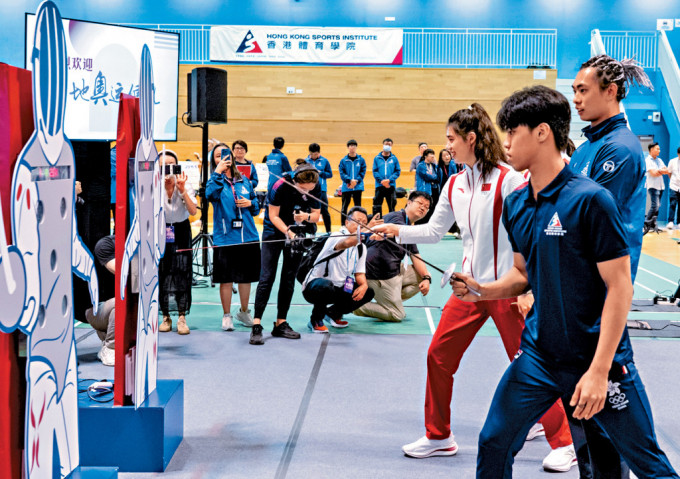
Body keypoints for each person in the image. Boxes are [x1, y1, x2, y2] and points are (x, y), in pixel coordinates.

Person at [461, 84, 678, 479]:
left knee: (645, 465)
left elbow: (620, 287)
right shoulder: (517, 203)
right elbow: (524, 275)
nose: (505, 142)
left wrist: (598, 371)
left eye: (513, 132)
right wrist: (484, 289)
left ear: (542, 132)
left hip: (600, 363)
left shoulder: (591, 200)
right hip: (540, 357)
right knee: (493, 443)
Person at [372, 103, 574, 471]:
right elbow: (434, 232)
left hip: (506, 290)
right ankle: (438, 436)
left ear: (471, 138)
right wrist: (394, 230)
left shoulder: (510, 179)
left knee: (532, 364)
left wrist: (529, 290)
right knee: (438, 356)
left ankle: (564, 440)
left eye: (451, 139)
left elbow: (528, 238)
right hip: (468, 291)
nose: (446, 145)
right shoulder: (453, 183)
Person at [569, 53, 656, 479]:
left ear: (611, 91)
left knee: (627, 438)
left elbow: (580, 222)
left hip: (604, 298)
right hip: (579, 300)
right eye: (573, 92)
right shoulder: (587, 146)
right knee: (587, 423)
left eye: (583, 91)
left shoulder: (620, 151)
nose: (577, 100)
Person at [250, 163, 321, 345]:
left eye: (309, 189)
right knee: (267, 277)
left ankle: (280, 323)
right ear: (295, 181)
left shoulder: (316, 185)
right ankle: (257, 323)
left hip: (298, 231)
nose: (306, 192)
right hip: (274, 230)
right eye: (303, 189)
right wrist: (288, 232)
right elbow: (273, 215)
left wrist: (305, 217)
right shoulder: (279, 185)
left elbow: (316, 215)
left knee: (288, 277)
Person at [354, 192, 432, 322]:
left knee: (422, 275)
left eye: (427, 206)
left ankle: (389, 299)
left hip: (393, 271)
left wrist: (426, 278)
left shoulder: (409, 228)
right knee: (397, 315)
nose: (423, 208)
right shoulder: (395, 218)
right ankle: (354, 305)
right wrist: (386, 235)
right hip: (377, 273)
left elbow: (416, 256)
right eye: (420, 203)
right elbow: (386, 232)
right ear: (409, 202)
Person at [206, 143, 260, 331]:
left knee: (246, 278)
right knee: (226, 279)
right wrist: (217, 173)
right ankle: (226, 315)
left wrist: (250, 203)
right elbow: (209, 195)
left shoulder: (244, 180)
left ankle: (244, 311)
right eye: (217, 156)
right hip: (225, 238)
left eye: (224, 154)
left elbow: (256, 208)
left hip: (248, 237)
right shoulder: (215, 182)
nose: (222, 158)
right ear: (213, 160)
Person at [302, 207, 375, 332]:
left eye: (364, 222)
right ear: (347, 222)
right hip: (315, 287)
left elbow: (359, 273)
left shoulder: (361, 247)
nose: (361, 225)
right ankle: (315, 319)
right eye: (358, 221)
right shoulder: (336, 236)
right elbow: (346, 243)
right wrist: (363, 231)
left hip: (339, 287)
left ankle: (333, 313)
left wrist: (363, 285)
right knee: (326, 285)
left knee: (368, 292)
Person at [156, 150, 198, 335]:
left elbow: (193, 211)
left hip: (180, 230)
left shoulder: (185, 184)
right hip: (159, 230)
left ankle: (182, 316)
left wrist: (181, 191)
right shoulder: (152, 185)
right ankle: (165, 316)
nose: (168, 170)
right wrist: (165, 190)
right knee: (162, 272)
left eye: (172, 165)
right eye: (164, 166)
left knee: (183, 271)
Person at [84, 235, 117, 366]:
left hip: (107, 307)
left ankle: (106, 341)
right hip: (94, 310)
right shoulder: (105, 245)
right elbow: (124, 272)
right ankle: (110, 348)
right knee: (122, 303)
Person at [306, 142, 333, 233]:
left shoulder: (324, 161)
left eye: (316, 154)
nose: (314, 156)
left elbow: (330, 174)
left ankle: (328, 231)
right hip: (309, 190)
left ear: (319, 153)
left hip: (321, 190)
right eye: (312, 154)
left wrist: (320, 172)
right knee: (309, 211)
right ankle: (311, 232)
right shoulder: (306, 161)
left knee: (325, 211)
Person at [372, 138, 401, 216]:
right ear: (383, 145)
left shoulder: (394, 158)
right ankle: (378, 224)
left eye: (389, 145)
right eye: (386, 144)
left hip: (390, 186)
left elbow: (397, 171)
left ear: (392, 146)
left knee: (391, 206)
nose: (387, 146)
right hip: (379, 186)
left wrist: (389, 180)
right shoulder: (377, 158)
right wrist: (381, 181)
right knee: (377, 206)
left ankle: (391, 223)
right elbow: (375, 171)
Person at [339, 139, 367, 219]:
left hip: (358, 187)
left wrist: (356, 181)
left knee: (358, 207)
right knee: (344, 207)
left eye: (354, 146)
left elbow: (362, 172)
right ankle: (343, 225)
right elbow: (342, 173)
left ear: (356, 147)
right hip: (347, 187)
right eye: (351, 146)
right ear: (348, 147)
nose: (352, 147)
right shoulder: (343, 160)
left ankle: (358, 224)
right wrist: (350, 181)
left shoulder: (361, 160)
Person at [644, 142, 669, 231]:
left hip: (661, 185)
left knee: (658, 205)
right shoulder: (647, 160)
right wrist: (660, 171)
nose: (659, 150)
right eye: (657, 149)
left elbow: (667, 171)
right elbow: (653, 173)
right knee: (655, 206)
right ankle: (646, 223)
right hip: (653, 186)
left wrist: (660, 171)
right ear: (651, 149)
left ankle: (653, 225)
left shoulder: (659, 160)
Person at [415, 148, 441, 224]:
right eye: (431, 156)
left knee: (432, 208)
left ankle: (429, 224)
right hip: (425, 189)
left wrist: (435, 175)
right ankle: (419, 224)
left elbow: (439, 176)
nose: (433, 157)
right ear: (426, 156)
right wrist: (434, 177)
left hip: (434, 189)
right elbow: (427, 176)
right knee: (423, 208)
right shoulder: (421, 165)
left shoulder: (433, 166)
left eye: (433, 156)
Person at [667, 147, 680, 230]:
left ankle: (679, 222)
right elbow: (669, 172)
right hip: (674, 186)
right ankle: (670, 221)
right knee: (672, 204)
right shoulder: (672, 161)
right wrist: (673, 181)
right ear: (678, 154)